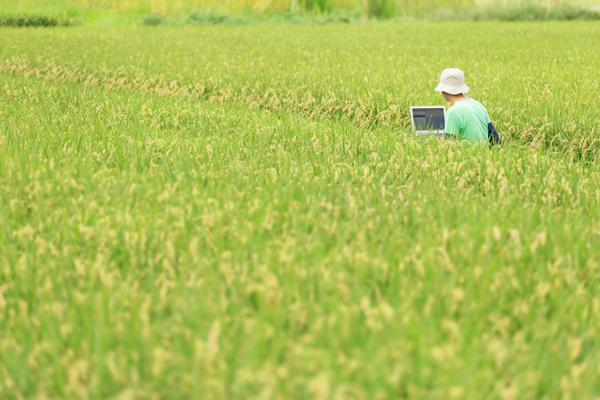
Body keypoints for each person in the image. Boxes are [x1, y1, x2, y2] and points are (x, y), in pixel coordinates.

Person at [435, 68, 491, 144]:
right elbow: (494, 137)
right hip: (484, 154)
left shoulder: (453, 112)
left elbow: (448, 145)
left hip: (466, 155)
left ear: (443, 91)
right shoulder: (479, 105)